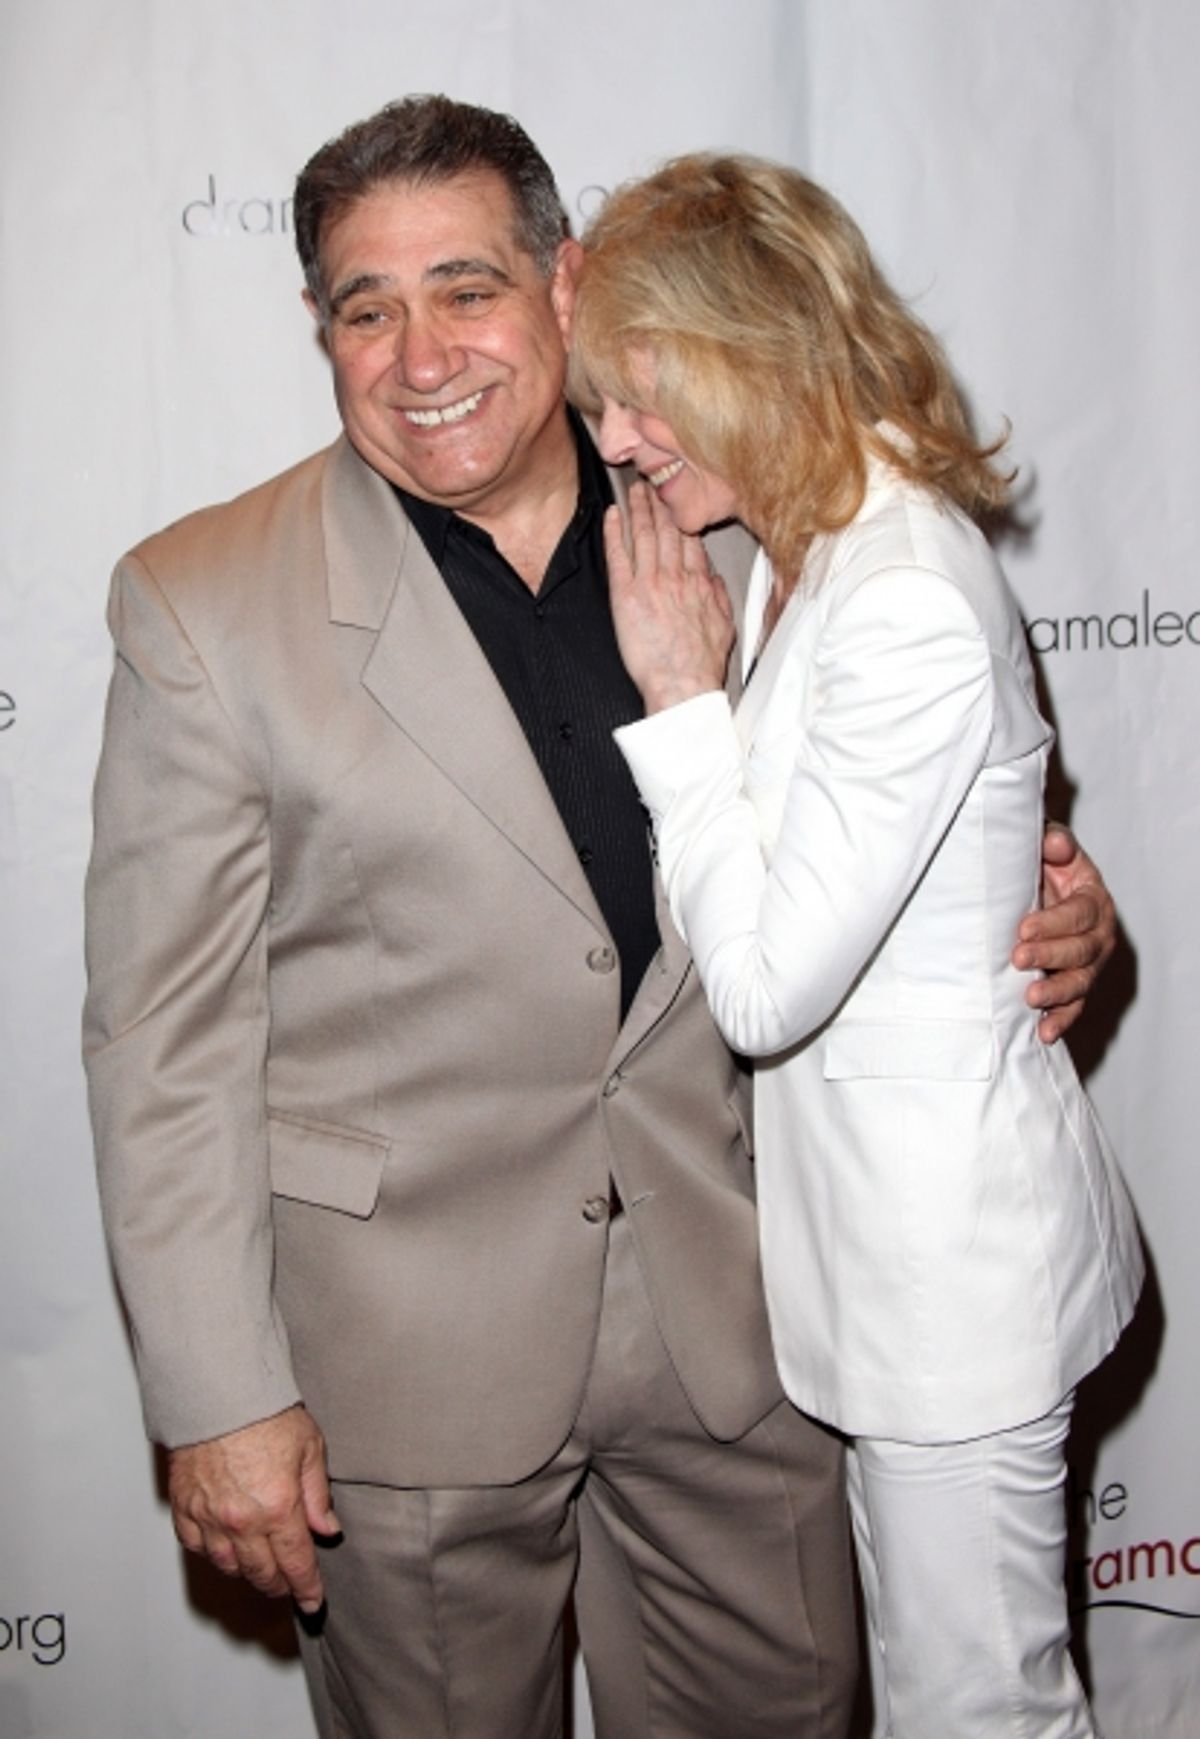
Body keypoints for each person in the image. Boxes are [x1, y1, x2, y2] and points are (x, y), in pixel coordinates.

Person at [83, 98, 1116, 1739]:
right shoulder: (205, 604)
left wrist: (1049, 891)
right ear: (319, 328)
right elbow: (166, 1045)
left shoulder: (739, 511)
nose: (423, 357)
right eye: (367, 308)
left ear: (564, 285)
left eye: (467, 288)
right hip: (407, 1373)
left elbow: (906, 779)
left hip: (754, 1330)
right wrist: (219, 1398)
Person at [570, 152, 1144, 1738]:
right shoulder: (806, 540)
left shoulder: (899, 589)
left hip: (950, 1280)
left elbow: (764, 992)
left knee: (983, 1711)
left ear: (752, 354)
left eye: (640, 396)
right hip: (888, 1275)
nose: (612, 440)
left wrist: (678, 703)